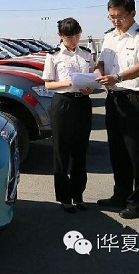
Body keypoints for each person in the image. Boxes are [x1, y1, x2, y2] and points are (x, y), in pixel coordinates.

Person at [95, 0, 139, 219]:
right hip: (114, 99)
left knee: (138, 153)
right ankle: (121, 195)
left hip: (135, 100)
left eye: (120, 16)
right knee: (117, 151)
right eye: (111, 17)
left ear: (132, 13)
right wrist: (98, 74)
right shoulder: (109, 36)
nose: (115, 21)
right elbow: (102, 62)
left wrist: (118, 77)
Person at [42, 18, 94, 213]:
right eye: (69, 37)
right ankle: (65, 198)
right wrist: (68, 83)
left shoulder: (86, 54)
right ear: (60, 36)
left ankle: (78, 194)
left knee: (80, 150)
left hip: (83, 103)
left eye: (77, 36)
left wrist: (89, 87)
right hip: (63, 103)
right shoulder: (53, 55)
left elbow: (92, 77)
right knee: (61, 151)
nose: (74, 40)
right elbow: (48, 84)